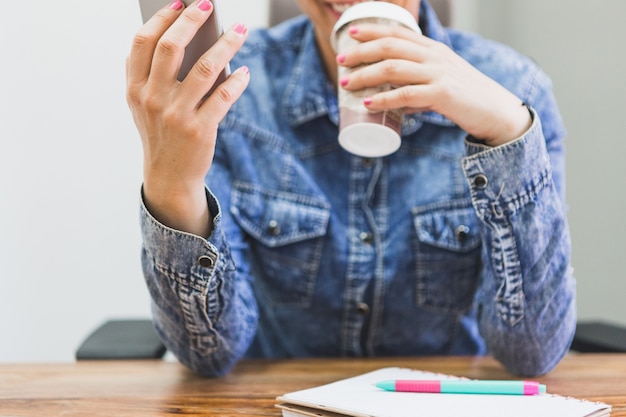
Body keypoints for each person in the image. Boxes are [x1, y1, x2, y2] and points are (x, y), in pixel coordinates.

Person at [126, 0, 576, 378]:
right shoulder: (231, 92)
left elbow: (532, 351)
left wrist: (507, 134)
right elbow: (208, 354)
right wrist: (174, 189)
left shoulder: (513, 89)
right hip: (276, 401)